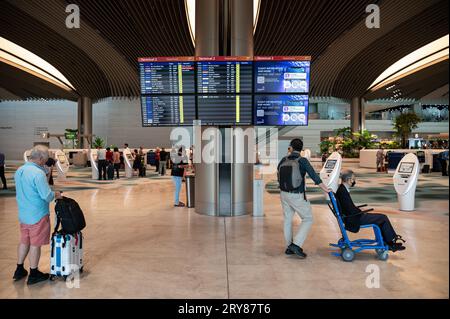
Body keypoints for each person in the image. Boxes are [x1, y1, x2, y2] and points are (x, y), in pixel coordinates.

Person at [13, 145, 63, 285]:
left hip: (24, 214)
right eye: (45, 160)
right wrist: (57, 194)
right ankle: (34, 273)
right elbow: (46, 195)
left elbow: (35, 188)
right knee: (35, 244)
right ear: (41, 158)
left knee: (24, 241)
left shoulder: (20, 170)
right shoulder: (37, 173)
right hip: (37, 215)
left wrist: (47, 174)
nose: (45, 162)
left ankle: (19, 269)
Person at [277, 138, 331, 259]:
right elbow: (314, 175)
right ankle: (296, 245)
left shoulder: (283, 159)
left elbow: (278, 174)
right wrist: (325, 188)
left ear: (290, 147)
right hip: (296, 195)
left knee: (287, 220)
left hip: (283, 194)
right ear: (301, 149)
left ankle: (289, 246)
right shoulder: (302, 160)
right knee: (307, 218)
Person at [335, 170, 406, 252]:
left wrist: (359, 210)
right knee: (383, 218)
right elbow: (350, 209)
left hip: (353, 216)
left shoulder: (341, 189)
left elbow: (348, 207)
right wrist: (361, 211)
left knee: (380, 219)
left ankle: (388, 241)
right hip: (354, 218)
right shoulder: (343, 192)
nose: (354, 181)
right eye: (353, 179)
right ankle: (390, 243)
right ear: (348, 179)